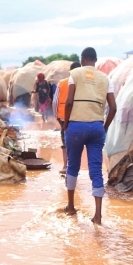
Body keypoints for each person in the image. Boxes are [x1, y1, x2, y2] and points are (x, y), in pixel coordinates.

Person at [63, 47, 117, 225]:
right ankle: (98, 216)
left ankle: (71, 207)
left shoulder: (75, 73)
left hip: (76, 126)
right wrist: (104, 126)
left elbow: (69, 102)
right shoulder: (105, 78)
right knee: (96, 169)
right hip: (96, 127)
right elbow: (113, 108)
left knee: (73, 166)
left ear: (82, 59)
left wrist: (65, 125)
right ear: (95, 60)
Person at [53, 61, 82, 174]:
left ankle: (66, 166)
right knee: (77, 143)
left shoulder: (62, 83)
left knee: (65, 142)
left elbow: (55, 101)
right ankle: (75, 167)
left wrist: (57, 117)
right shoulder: (83, 84)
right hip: (79, 117)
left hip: (63, 118)